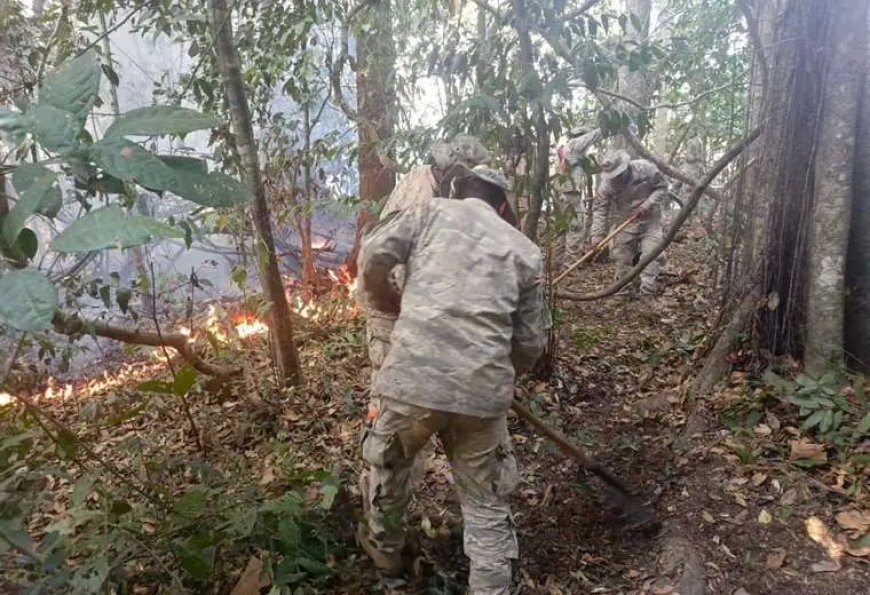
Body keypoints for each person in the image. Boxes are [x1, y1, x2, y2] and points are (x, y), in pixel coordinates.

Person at [355, 165, 551, 595]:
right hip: (481, 398)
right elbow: (532, 342)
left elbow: (371, 256)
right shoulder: (524, 250)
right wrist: (496, 372)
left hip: (410, 383)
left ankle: (388, 567)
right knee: (486, 505)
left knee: (389, 470)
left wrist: (385, 298)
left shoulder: (428, 213)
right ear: (503, 204)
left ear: (461, 191)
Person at [589, 150, 668, 302]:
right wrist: (597, 236)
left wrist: (647, 205)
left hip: (651, 219)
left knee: (650, 255)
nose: (616, 178)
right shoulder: (606, 186)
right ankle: (621, 293)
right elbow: (600, 210)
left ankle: (647, 294)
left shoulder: (646, 168)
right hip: (626, 221)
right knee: (622, 256)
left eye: (619, 174)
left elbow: (663, 188)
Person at [555, 128, 602, 266]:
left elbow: (589, 169)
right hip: (570, 195)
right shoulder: (575, 144)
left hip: (562, 194)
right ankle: (569, 266)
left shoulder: (569, 152)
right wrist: (610, 125)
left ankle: (558, 264)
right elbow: (594, 135)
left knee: (562, 229)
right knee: (576, 228)